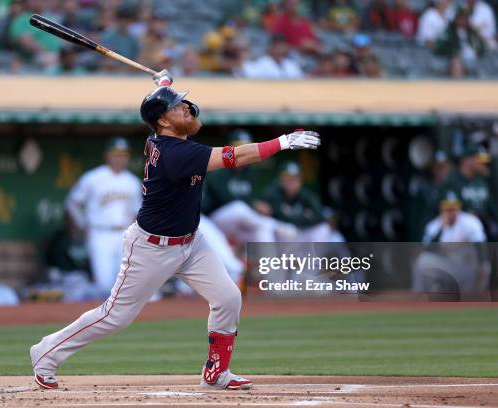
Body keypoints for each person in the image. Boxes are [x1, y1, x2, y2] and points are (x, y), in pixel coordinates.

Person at [30, 73, 321, 390]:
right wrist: (281, 142)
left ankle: (217, 373)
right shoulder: (175, 153)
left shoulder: (165, 136)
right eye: (177, 107)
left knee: (227, 297)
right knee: (115, 316)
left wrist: (163, 85)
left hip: (192, 242)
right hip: (151, 248)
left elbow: (159, 112)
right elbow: (235, 156)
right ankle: (45, 353)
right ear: (163, 122)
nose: (186, 108)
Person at [66, 137, 142, 297]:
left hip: (124, 234)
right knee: (104, 283)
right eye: (116, 154)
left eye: (123, 154)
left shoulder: (132, 182)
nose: (119, 158)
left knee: (124, 282)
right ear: (107, 155)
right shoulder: (93, 178)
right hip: (100, 233)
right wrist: (82, 224)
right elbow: (72, 202)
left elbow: (137, 212)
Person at [413, 191, 490, 297]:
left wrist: (481, 263)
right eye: (447, 208)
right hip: (448, 267)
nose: (451, 212)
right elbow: (427, 249)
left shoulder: (470, 221)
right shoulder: (435, 225)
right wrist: (441, 229)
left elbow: (480, 243)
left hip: (467, 267)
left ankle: (477, 299)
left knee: (485, 266)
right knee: (423, 260)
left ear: (459, 207)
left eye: (454, 208)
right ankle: (420, 298)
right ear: (441, 208)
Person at [256, 161, 331, 242]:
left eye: (294, 178)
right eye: (287, 178)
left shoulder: (306, 196)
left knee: (323, 229)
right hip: (282, 235)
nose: (291, 182)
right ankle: (268, 254)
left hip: (301, 233)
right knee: (267, 225)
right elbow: (260, 207)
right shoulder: (273, 192)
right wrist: (304, 216)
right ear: (281, 179)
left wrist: (295, 219)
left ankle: (312, 254)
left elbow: (320, 216)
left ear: (300, 180)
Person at [440, 144, 497, 238]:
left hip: (483, 227)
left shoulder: (481, 181)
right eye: (479, 160)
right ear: (467, 160)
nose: (483, 164)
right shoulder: (453, 182)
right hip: (460, 230)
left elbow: (491, 207)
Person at [43, 212, 100, 302]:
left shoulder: (87, 238)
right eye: (71, 220)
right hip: (65, 278)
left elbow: (90, 262)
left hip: (83, 279)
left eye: (75, 220)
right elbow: (55, 262)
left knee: (100, 293)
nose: (73, 223)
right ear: (65, 222)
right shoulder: (59, 238)